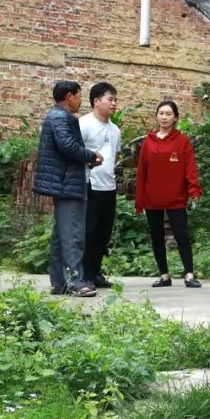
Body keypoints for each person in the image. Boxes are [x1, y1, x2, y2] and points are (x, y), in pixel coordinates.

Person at [33, 80, 104, 297]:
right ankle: (76, 282)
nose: (81, 101)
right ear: (69, 96)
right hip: (68, 184)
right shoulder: (60, 118)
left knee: (60, 236)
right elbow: (68, 146)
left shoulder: (57, 117)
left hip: (64, 182)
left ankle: (59, 283)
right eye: (79, 96)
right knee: (73, 234)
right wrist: (91, 155)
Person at [135, 100, 202, 288]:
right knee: (157, 236)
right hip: (152, 197)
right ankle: (164, 275)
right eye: (161, 113)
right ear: (156, 116)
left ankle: (189, 275)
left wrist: (193, 190)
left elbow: (190, 168)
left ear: (175, 118)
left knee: (181, 234)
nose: (164, 117)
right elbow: (141, 173)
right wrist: (139, 201)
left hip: (176, 197)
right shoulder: (148, 142)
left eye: (168, 114)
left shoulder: (182, 141)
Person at [79, 82, 122, 289]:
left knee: (104, 233)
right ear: (96, 101)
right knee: (89, 232)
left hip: (109, 187)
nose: (114, 104)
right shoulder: (84, 124)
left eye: (115, 100)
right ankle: (84, 275)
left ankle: (95, 273)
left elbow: (115, 156)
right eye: (109, 99)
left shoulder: (115, 129)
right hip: (90, 186)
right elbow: (75, 152)